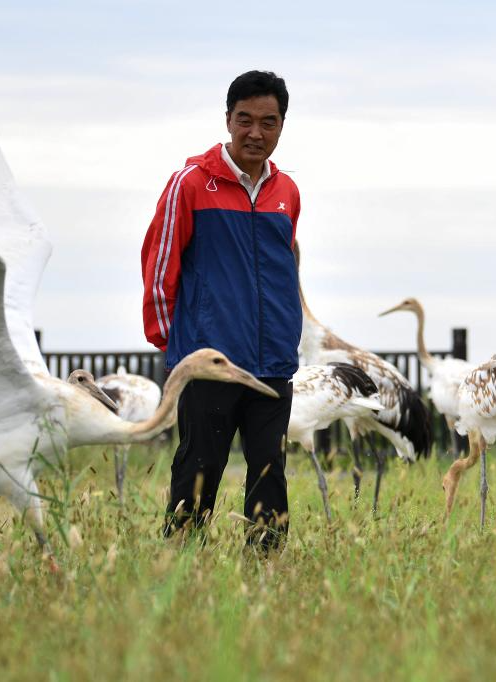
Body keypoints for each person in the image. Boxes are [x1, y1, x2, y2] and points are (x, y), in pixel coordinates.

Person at [140, 70, 302, 549]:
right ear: (228, 120)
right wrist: (178, 349)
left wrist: (287, 338)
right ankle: (179, 563)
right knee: (199, 467)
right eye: (245, 120)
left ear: (281, 125)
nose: (256, 132)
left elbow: (285, 265)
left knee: (270, 469)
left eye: (268, 122)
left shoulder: (286, 192)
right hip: (210, 362)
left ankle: (267, 571)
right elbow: (159, 263)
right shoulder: (189, 183)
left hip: (272, 362)